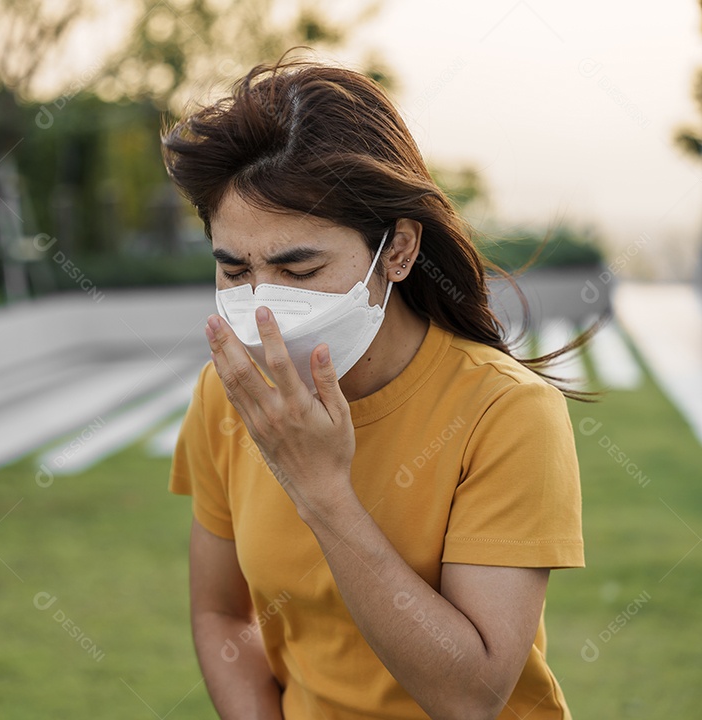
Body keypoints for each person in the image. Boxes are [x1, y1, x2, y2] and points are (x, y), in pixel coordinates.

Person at [161, 54, 585, 720]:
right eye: (235, 270)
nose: (264, 305)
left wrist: (322, 490)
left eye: (300, 269)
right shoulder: (228, 395)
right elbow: (221, 614)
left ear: (398, 251)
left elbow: (470, 696)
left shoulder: (506, 413)